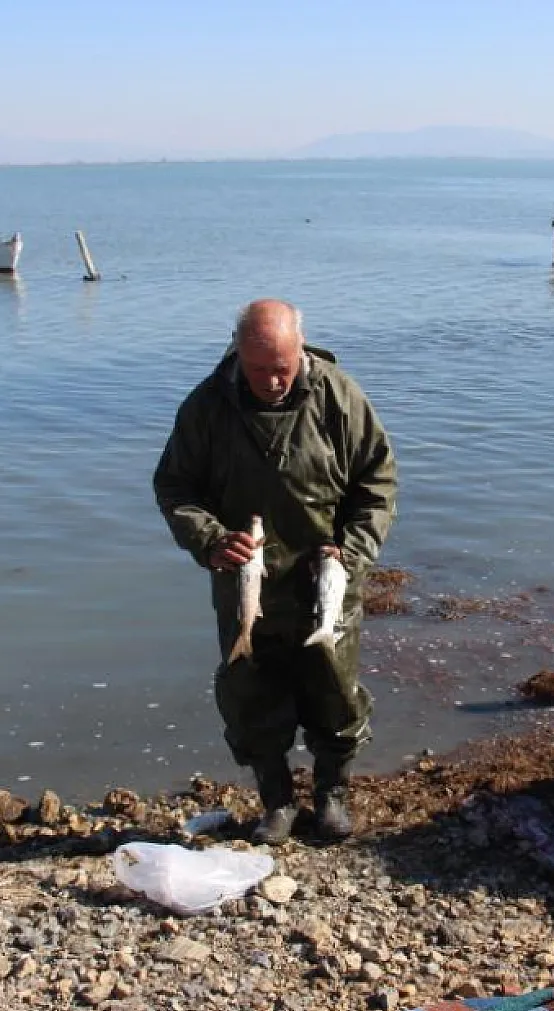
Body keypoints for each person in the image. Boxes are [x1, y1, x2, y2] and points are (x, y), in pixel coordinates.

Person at [153, 299, 397, 843]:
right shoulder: (207, 407)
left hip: (327, 580)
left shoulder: (339, 395)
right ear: (238, 353)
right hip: (245, 580)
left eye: (283, 368)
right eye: (260, 370)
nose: (273, 381)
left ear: (301, 349)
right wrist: (211, 540)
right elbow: (175, 487)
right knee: (251, 695)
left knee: (335, 691)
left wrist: (350, 553)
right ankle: (277, 802)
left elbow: (376, 483)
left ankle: (332, 795)